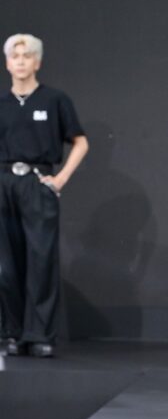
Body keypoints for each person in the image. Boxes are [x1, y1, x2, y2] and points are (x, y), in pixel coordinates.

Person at [0, 34, 89, 356]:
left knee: (41, 260)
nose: (21, 61)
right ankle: (12, 333)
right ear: (7, 63)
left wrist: (60, 178)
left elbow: (80, 141)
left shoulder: (54, 100)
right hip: (4, 183)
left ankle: (40, 335)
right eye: (15, 56)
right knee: (6, 264)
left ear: (37, 62)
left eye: (27, 55)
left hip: (37, 183)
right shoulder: (2, 103)